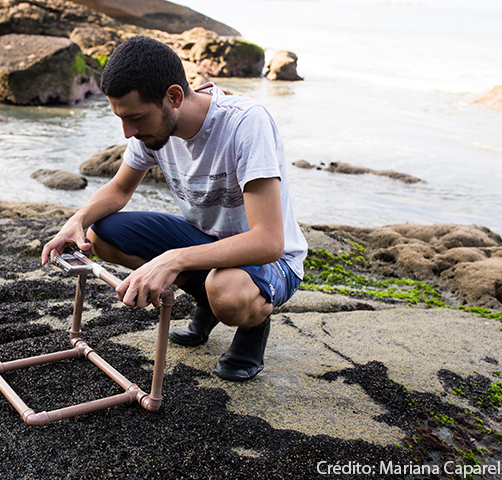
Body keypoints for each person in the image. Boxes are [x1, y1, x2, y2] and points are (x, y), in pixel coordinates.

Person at [41, 36, 308, 381]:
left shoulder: (245, 124)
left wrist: (171, 260)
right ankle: (206, 299)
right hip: (206, 242)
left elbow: (268, 242)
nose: (127, 132)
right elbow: (120, 189)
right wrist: (75, 221)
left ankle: (250, 324)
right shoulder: (152, 131)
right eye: (121, 119)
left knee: (226, 293)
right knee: (101, 235)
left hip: (271, 260)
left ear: (174, 97)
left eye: (135, 118)